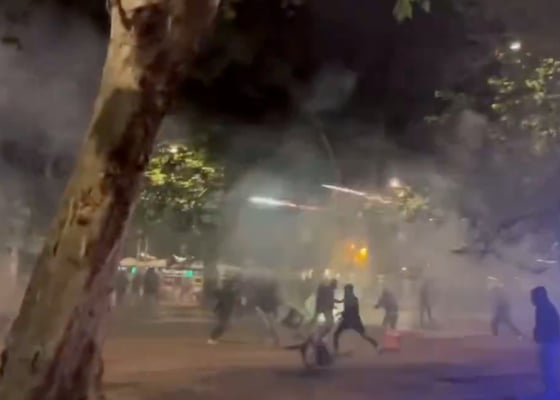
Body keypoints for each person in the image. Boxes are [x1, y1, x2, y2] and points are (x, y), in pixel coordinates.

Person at [531, 286, 560, 398]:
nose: (532, 299)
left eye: (533, 297)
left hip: (551, 342)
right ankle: (550, 391)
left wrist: (538, 335)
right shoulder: (543, 307)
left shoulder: (544, 308)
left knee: (549, 368)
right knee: (548, 367)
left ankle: (552, 393)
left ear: (539, 297)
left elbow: (544, 326)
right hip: (550, 341)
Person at [333, 284, 378, 353]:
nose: (345, 292)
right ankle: (377, 346)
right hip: (353, 320)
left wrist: (342, 314)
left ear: (349, 290)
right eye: (345, 290)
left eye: (346, 290)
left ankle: (336, 351)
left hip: (350, 320)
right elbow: (350, 309)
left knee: (336, 334)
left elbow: (351, 311)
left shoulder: (351, 299)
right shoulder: (351, 298)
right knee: (364, 335)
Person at [208, 279, 238, 344]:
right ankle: (212, 338)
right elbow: (220, 300)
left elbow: (220, 302)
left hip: (226, 312)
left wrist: (215, 310)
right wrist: (215, 310)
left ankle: (213, 338)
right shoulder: (229, 294)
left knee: (224, 326)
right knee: (222, 326)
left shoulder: (229, 294)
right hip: (223, 312)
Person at [254, 278, 281, 345]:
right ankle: (274, 338)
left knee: (270, 326)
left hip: (268, 312)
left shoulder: (271, 296)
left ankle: (275, 338)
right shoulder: (269, 295)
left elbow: (275, 305)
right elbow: (275, 305)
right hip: (266, 312)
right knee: (269, 326)